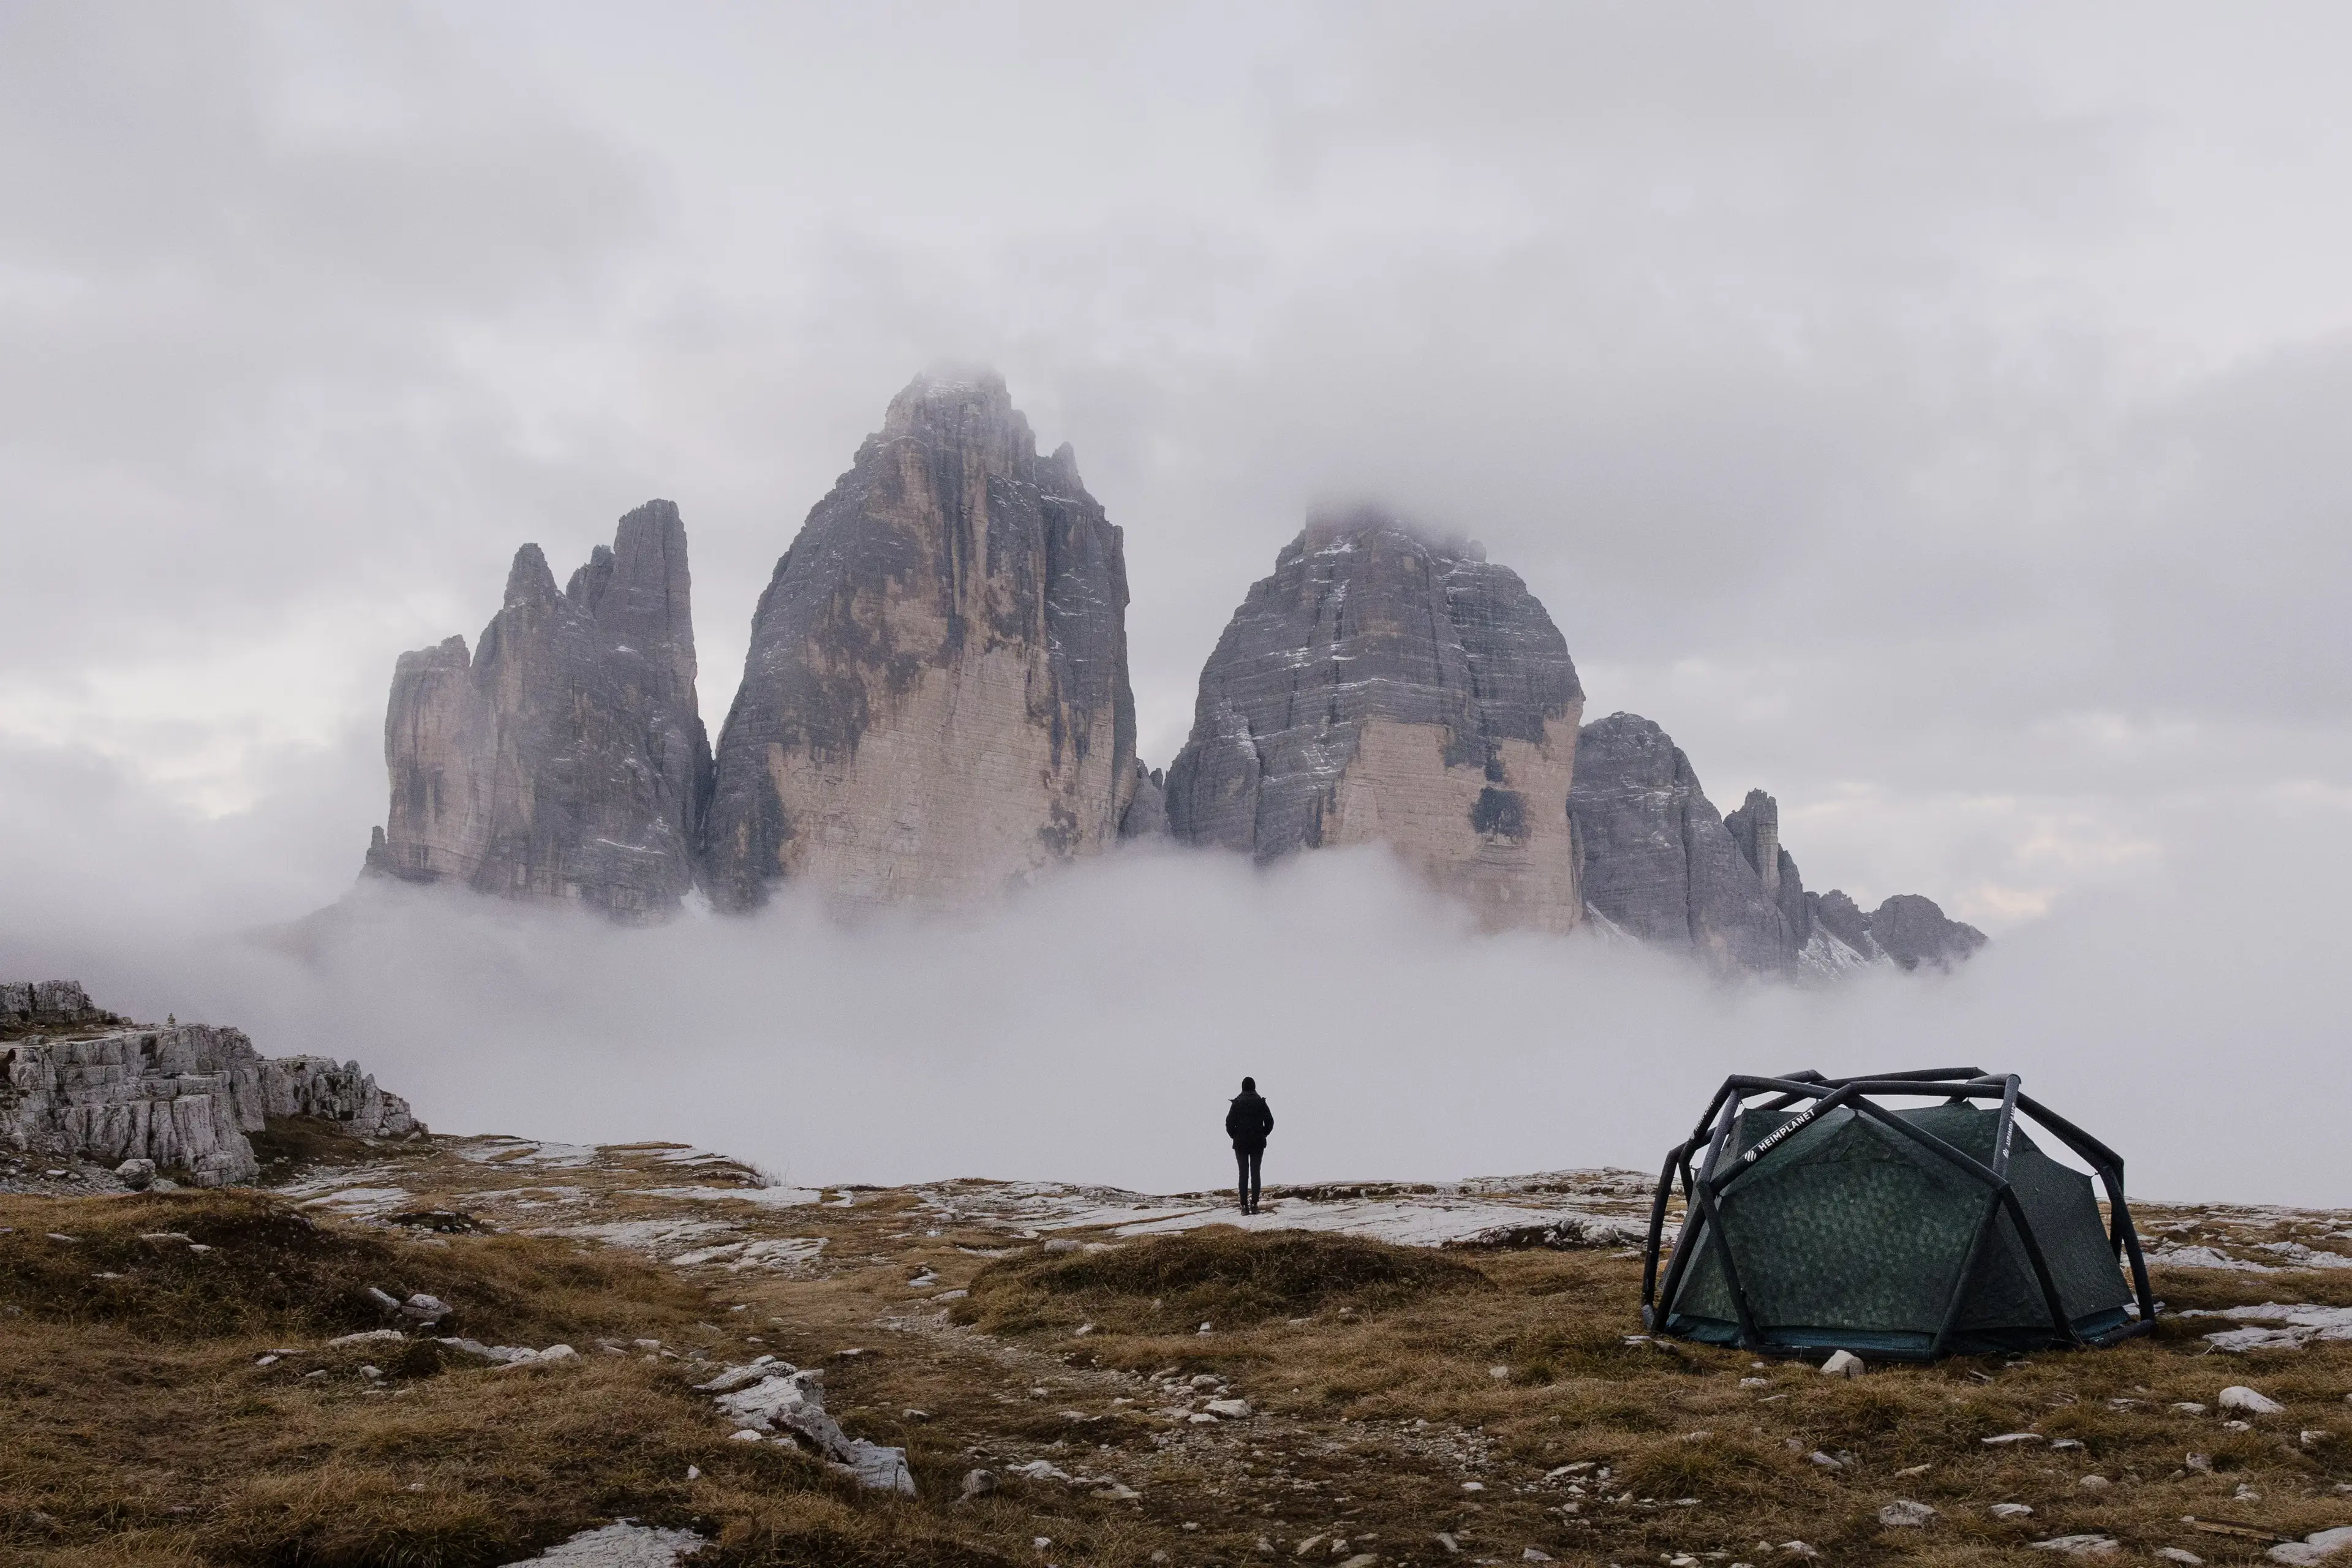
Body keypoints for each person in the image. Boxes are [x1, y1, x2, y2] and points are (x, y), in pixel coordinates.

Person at [1224, 1076, 1274, 1215]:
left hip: (1240, 1143)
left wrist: (1234, 1135)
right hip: (1258, 1142)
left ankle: (1244, 1206)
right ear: (1254, 1087)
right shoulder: (1260, 1103)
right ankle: (1254, 1204)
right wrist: (1263, 1134)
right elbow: (1270, 1122)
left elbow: (1229, 1123)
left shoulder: (1236, 1104)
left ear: (1242, 1087)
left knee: (1243, 1174)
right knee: (1256, 1172)